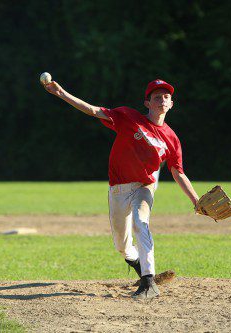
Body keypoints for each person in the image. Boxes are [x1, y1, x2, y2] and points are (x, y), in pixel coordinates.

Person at [44, 79, 200, 299]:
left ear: (171, 104)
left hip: (144, 187)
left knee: (140, 222)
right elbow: (93, 110)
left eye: (166, 97)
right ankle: (137, 263)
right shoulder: (128, 117)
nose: (162, 100)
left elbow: (178, 172)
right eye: (156, 97)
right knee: (121, 244)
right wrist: (61, 93)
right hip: (117, 189)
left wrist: (195, 200)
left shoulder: (172, 139)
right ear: (147, 102)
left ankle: (148, 282)